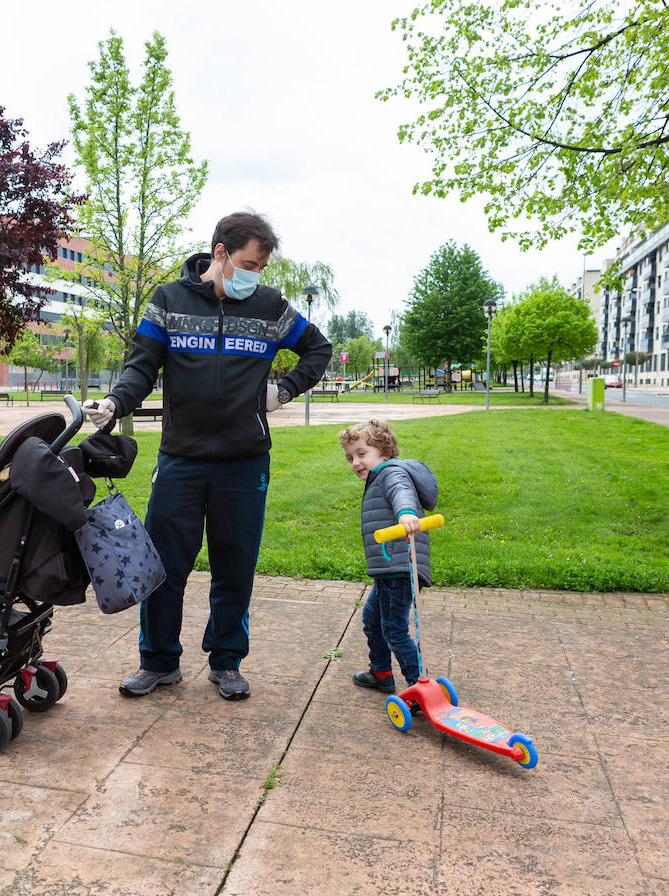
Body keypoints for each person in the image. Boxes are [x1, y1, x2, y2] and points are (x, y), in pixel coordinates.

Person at [84, 211, 332, 701]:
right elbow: (141, 367)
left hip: (245, 462)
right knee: (163, 566)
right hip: (181, 459)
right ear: (220, 253)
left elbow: (317, 349)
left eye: (260, 267)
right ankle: (157, 662)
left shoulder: (270, 306)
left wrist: (283, 392)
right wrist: (115, 403)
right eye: (249, 263)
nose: (254, 275)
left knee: (235, 565)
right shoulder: (168, 301)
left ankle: (227, 660)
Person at [339, 419, 439, 695]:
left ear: (383, 453)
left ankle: (418, 686)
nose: (355, 462)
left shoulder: (391, 473)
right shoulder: (378, 476)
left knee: (394, 630)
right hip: (388, 567)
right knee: (372, 620)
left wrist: (406, 513)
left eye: (362, 453)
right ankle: (381, 673)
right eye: (350, 457)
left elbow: (401, 492)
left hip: (400, 566)